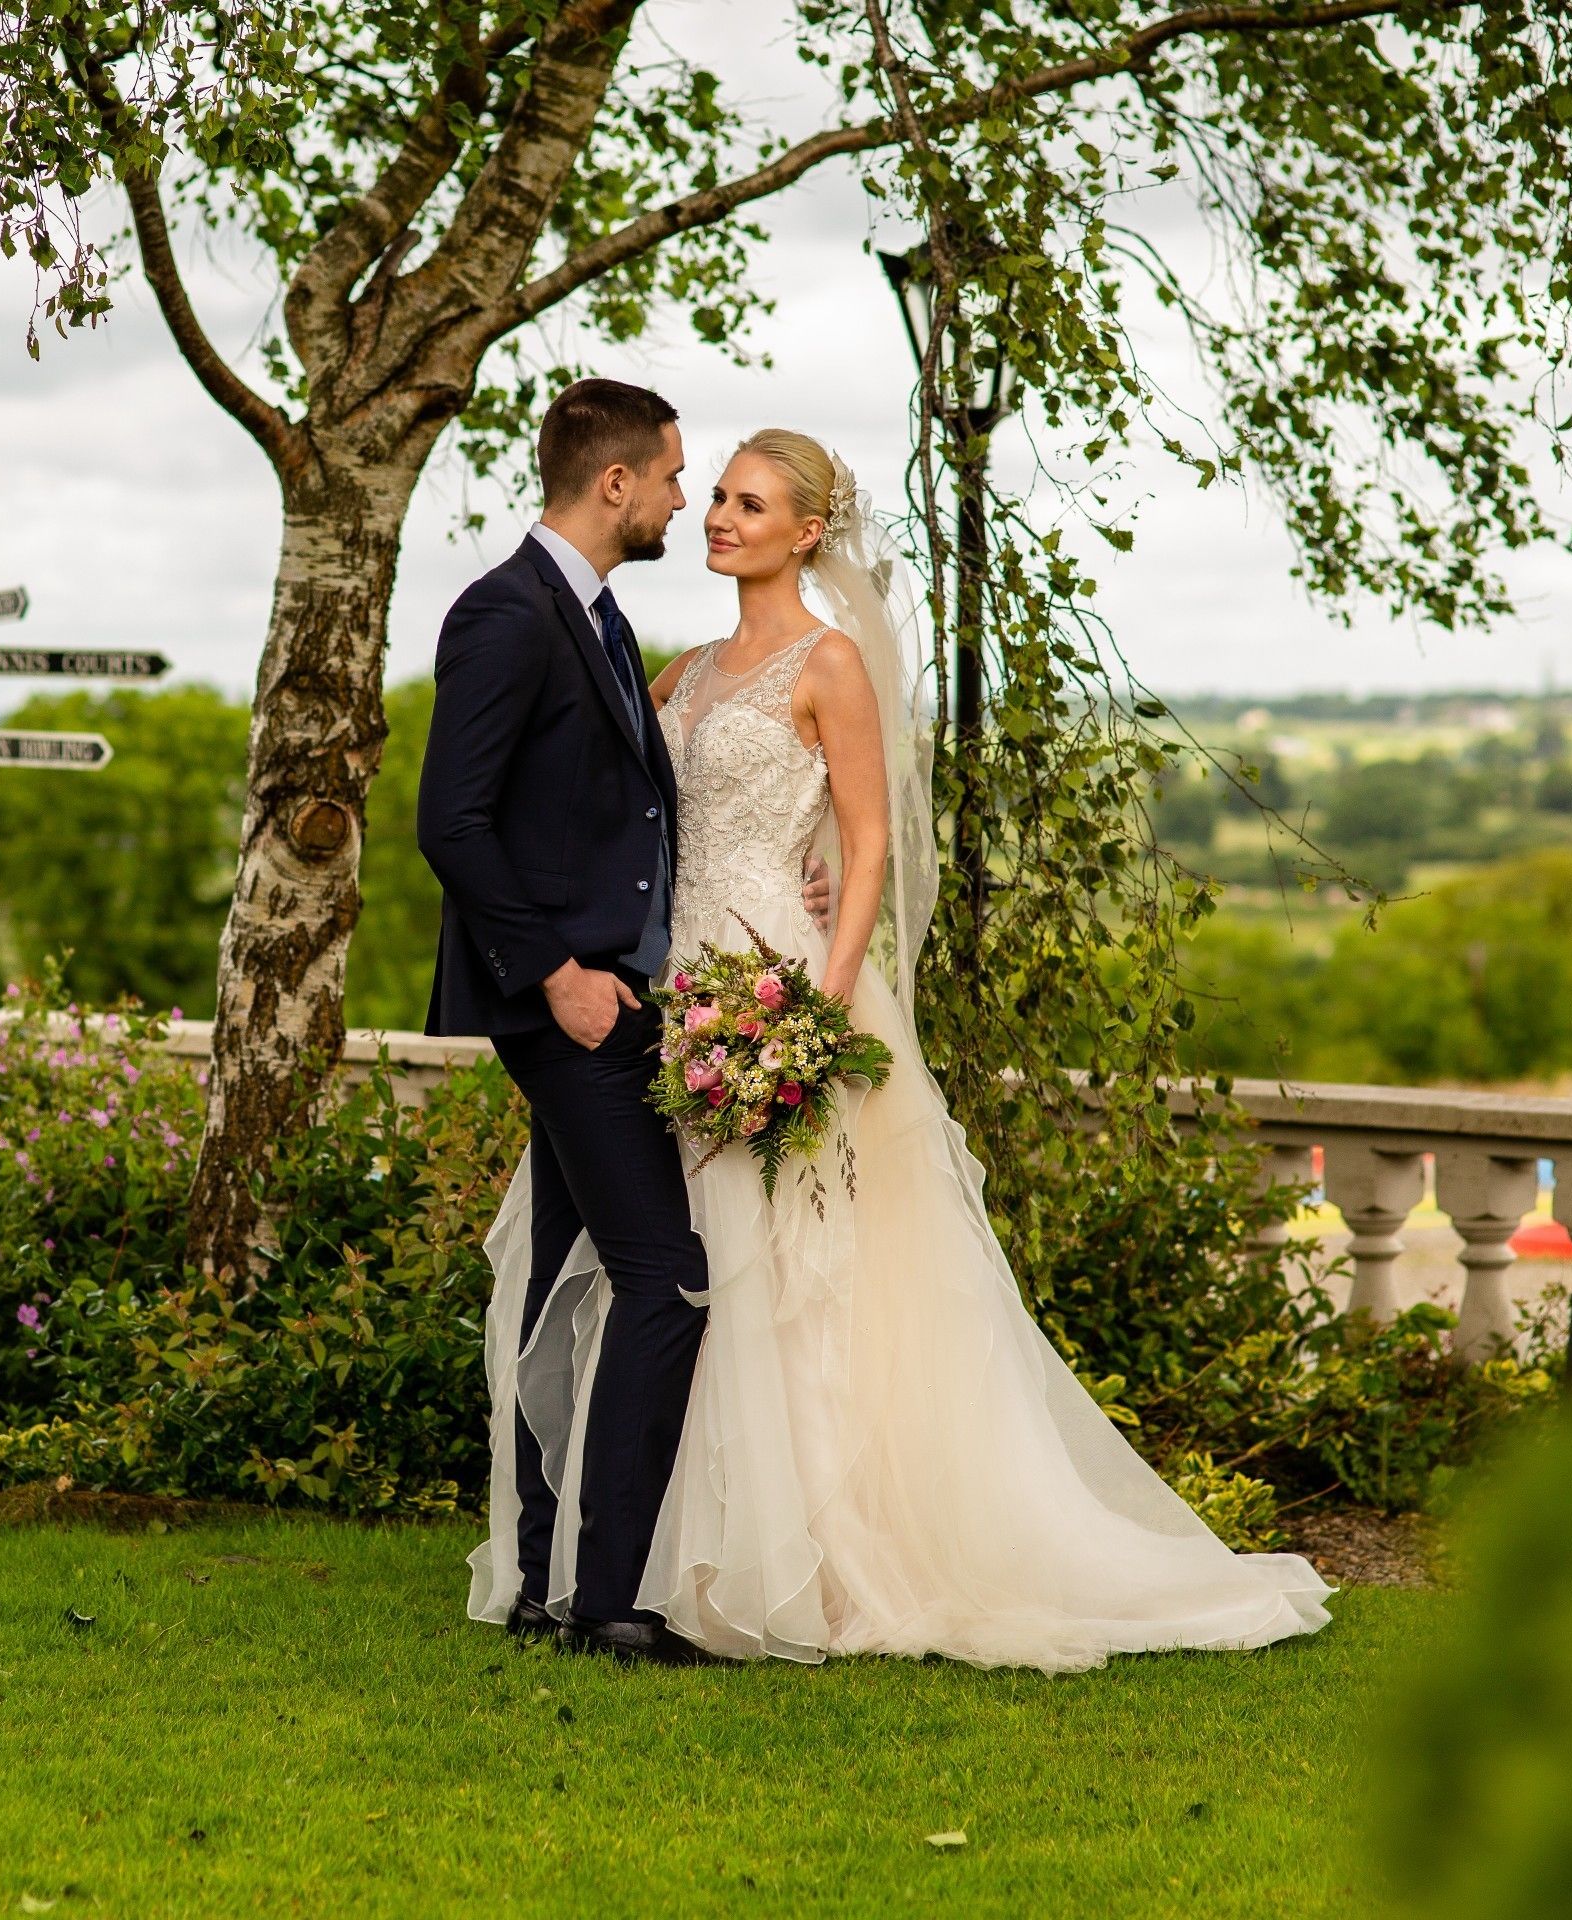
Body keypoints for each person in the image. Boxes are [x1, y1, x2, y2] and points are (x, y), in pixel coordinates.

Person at [470, 427, 1333, 1670]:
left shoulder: (829, 668)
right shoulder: (683, 672)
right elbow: (637, 824)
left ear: (806, 532)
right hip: (673, 999)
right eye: (710, 495)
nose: (716, 516)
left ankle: (806, 1560)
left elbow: (868, 846)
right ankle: (652, 1559)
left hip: (780, 990)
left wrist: (815, 1006)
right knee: (670, 1264)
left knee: (790, 1274)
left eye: (747, 503)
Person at [417, 378, 716, 1665]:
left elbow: (627, 819)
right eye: (669, 477)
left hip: (618, 999)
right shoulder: (505, 612)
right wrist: (555, 976)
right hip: (571, 1011)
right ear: (614, 485)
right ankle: (610, 1604)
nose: (680, 497)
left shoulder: (594, 616)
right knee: (666, 1280)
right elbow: (453, 822)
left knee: (557, 1291)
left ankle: (547, 1583)